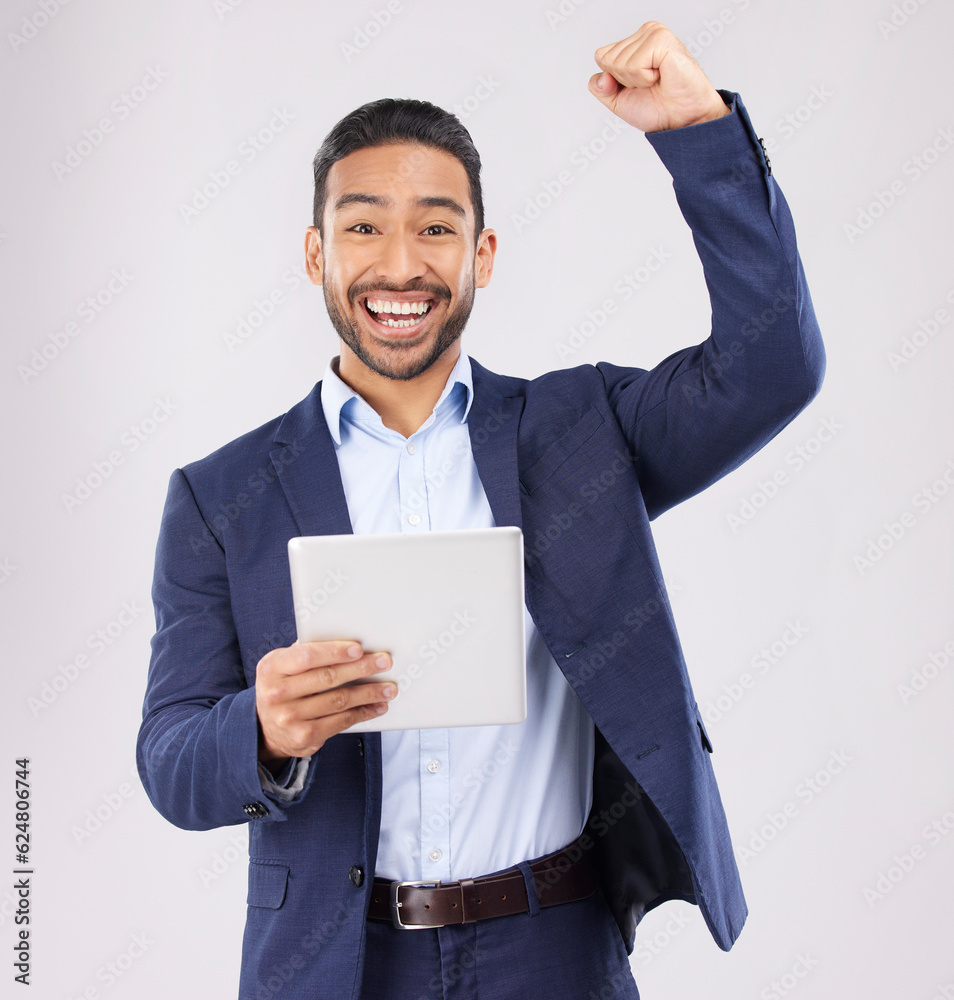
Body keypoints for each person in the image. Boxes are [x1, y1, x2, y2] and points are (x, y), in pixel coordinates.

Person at [137, 20, 825, 1000]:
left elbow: (773, 365)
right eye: (364, 225)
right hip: (341, 965)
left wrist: (697, 133)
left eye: (438, 226)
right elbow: (168, 758)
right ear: (314, 253)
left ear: (484, 252)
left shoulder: (584, 428)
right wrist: (263, 727)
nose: (401, 264)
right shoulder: (222, 494)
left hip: (555, 949)